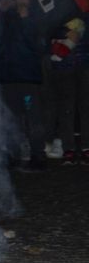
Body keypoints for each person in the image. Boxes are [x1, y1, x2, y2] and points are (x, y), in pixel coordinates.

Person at [0, 0, 47, 170]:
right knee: (11, 118)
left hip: (28, 77)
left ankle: (38, 156)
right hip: (9, 76)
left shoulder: (38, 16)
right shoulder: (6, 15)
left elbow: (40, 46)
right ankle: (13, 155)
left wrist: (25, 20)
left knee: (33, 117)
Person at [48, 17, 88, 164]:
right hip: (64, 66)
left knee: (86, 107)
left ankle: (86, 147)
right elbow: (46, 26)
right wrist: (66, 32)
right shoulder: (61, 8)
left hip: (85, 62)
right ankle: (68, 148)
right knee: (66, 108)